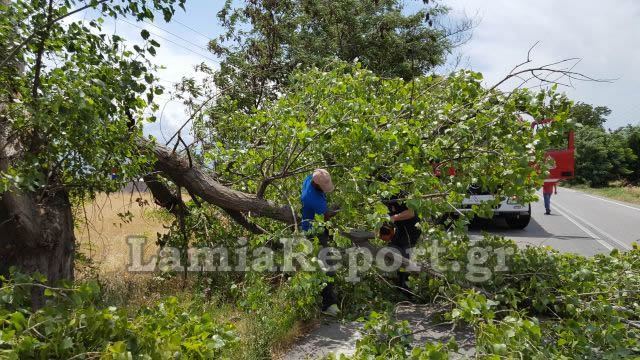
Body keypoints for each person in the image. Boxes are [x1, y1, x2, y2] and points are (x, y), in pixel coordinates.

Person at [300, 168, 340, 316]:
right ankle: (328, 305)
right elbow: (325, 217)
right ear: (317, 185)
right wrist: (335, 210)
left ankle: (319, 297)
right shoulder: (312, 198)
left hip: (312, 224)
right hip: (314, 231)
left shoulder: (309, 178)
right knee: (327, 266)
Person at [380, 188, 422, 296]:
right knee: (394, 254)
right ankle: (399, 285)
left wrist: (394, 218)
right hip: (399, 230)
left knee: (405, 257)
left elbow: (411, 212)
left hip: (411, 230)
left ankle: (407, 290)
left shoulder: (401, 194)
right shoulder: (383, 195)